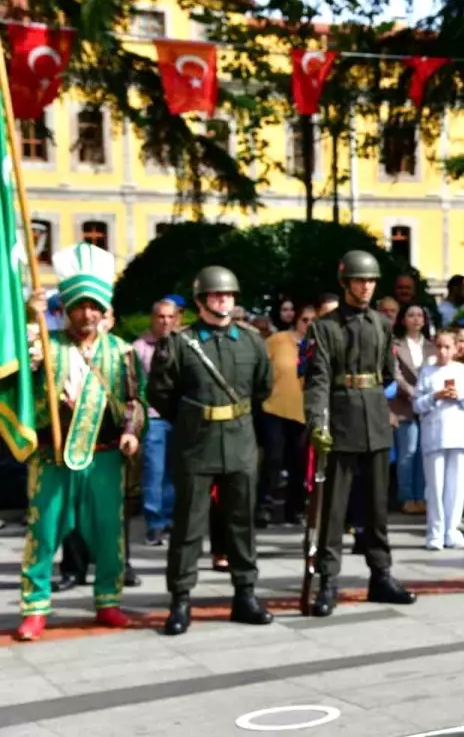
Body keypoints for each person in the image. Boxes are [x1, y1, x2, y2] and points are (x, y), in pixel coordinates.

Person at [15, 244, 145, 642]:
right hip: (52, 457)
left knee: (109, 534)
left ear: (103, 310)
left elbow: (135, 400)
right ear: (67, 308)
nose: (87, 314)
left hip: (104, 459)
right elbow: (14, 369)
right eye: (79, 306)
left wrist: (131, 431)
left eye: (94, 306)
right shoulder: (44, 345)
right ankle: (35, 608)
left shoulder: (121, 351)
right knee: (43, 533)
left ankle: (108, 601)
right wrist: (26, 314)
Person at [148, 266, 274, 636]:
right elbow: (161, 393)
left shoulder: (251, 341)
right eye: (216, 296)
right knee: (188, 525)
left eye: (229, 295)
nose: (224, 301)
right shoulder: (179, 342)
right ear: (201, 301)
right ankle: (181, 600)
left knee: (241, 524)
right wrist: (191, 419)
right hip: (196, 444)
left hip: (239, 440)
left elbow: (263, 388)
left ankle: (245, 595)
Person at [304, 250, 418, 617]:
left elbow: (386, 373)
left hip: (374, 421)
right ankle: (327, 580)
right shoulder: (324, 327)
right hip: (339, 422)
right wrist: (317, 421)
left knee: (377, 510)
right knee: (334, 510)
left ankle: (380, 575)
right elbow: (318, 380)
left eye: (370, 281)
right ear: (345, 283)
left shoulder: (382, 325)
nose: (366, 287)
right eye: (359, 281)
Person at [414, 330, 464, 550]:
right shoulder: (427, 372)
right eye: (439, 347)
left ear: (455, 349)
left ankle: (451, 530)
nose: (442, 352)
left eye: (447, 347)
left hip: (459, 433)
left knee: (456, 486)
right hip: (434, 435)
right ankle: (434, 532)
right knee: (435, 487)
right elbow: (417, 405)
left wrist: (459, 396)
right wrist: (435, 396)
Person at [258, 303, 315, 527]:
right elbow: (260, 367)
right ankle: (264, 508)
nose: (309, 325)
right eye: (305, 320)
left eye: (313, 321)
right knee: (272, 460)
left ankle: (295, 510)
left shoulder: (318, 345)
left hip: (303, 412)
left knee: (299, 465)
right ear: (296, 321)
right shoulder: (278, 340)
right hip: (274, 408)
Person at [133, 298, 179, 545]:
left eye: (170, 317)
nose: (166, 321)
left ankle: (170, 518)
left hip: (180, 418)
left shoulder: (183, 345)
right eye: (161, 316)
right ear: (153, 319)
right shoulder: (140, 347)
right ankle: (154, 522)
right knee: (155, 471)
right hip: (153, 418)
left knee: (174, 472)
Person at [391, 304, 433, 514]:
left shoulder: (432, 346)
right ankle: (407, 497)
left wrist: (424, 394)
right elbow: (395, 373)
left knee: (423, 454)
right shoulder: (396, 345)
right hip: (404, 405)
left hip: (427, 406)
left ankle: (422, 496)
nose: (416, 319)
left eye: (419, 315)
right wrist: (411, 391)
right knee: (407, 452)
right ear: (403, 320)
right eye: (411, 315)